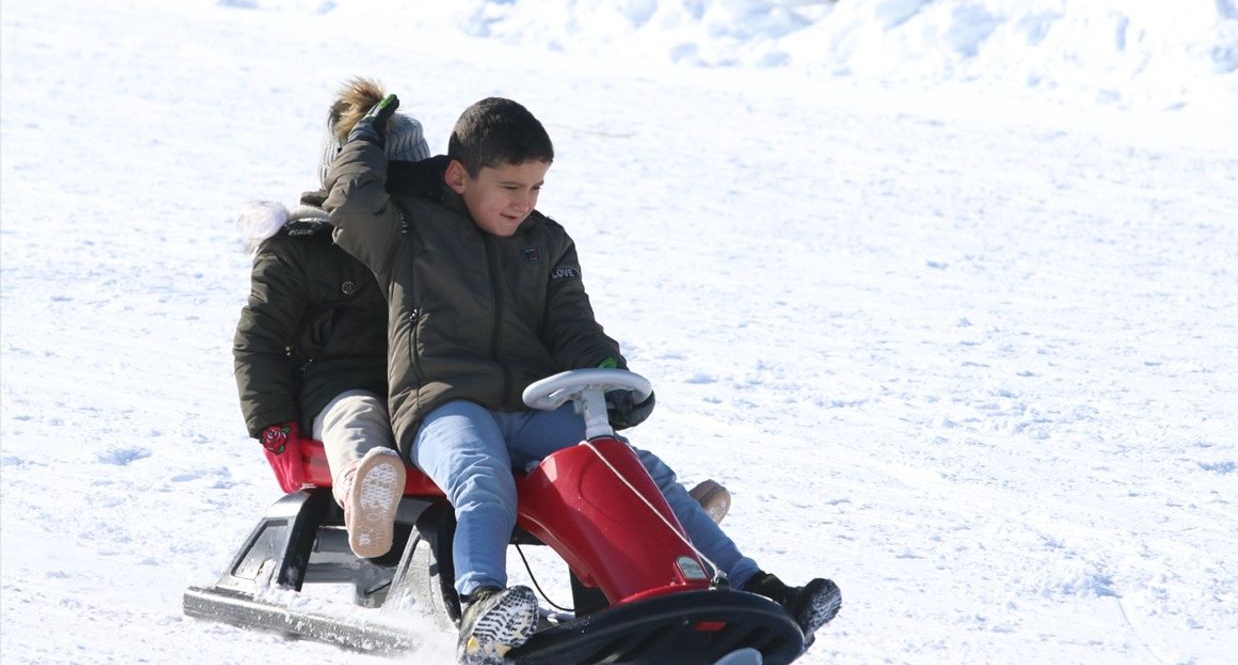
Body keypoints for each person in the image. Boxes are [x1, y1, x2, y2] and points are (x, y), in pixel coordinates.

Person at [323, 94, 841, 663]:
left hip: (531, 405)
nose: (524, 203)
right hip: (444, 404)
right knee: (480, 473)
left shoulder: (546, 243)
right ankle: (483, 609)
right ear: (458, 176)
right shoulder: (408, 229)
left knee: (634, 470)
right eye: (510, 188)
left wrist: (608, 372)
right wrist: (365, 139)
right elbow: (348, 207)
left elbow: (574, 325)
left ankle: (752, 587)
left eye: (536, 187)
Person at [232, 78, 431, 559]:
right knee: (357, 417)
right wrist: (273, 424)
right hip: (338, 387)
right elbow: (258, 340)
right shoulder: (298, 248)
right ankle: (364, 489)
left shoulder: (437, 244)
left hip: (425, 387)